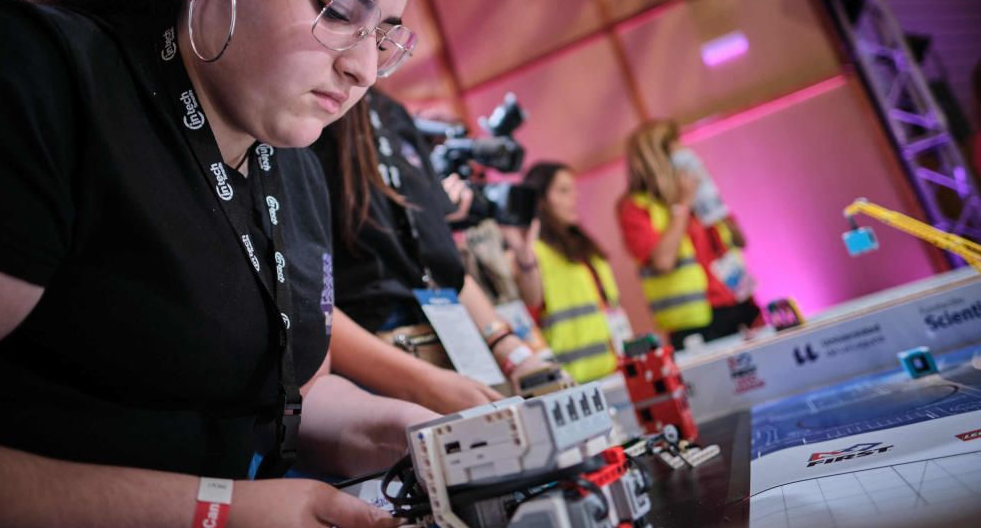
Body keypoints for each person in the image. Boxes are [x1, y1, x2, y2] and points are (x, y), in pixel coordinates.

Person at [0, 0, 438, 528]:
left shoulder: (295, 169)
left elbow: (288, 398)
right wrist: (215, 514)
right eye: (339, 9)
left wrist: (402, 427)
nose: (363, 68)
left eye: (385, 34)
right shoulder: (40, 81)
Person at [314, 90, 548, 393]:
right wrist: (428, 385)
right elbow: (313, 299)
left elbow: (443, 265)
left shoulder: (391, 113)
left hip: (441, 332)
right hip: (374, 344)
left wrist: (512, 352)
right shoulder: (312, 125)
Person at [617, 120, 761, 351]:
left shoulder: (699, 196)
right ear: (659, 162)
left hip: (741, 301)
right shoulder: (636, 208)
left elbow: (740, 240)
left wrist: (712, 199)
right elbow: (663, 261)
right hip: (698, 323)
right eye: (678, 155)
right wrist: (682, 204)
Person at [517, 162, 627, 383]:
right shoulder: (532, 254)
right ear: (540, 200)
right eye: (563, 191)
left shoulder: (583, 246)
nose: (574, 197)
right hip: (573, 379)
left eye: (573, 189)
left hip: (615, 366)